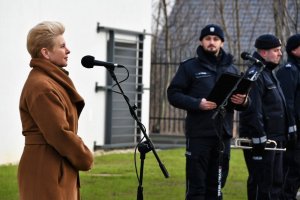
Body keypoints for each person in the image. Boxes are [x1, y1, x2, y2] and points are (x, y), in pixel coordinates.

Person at [167, 24, 248, 200]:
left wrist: (243, 101)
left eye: (216, 39)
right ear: (201, 41)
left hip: (223, 135)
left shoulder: (232, 70)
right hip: (199, 135)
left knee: (217, 188)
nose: (212, 42)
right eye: (208, 39)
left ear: (222, 43)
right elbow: (173, 94)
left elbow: (240, 103)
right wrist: (197, 103)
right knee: (197, 188)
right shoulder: (189, 67)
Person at [18, 21, 94, 200]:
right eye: (62, 46)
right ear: (45, 52)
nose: (68, 50)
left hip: (56, 164)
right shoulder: (42, 86)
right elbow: (58, 133)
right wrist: (85, 156)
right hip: (45, 169)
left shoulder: (50, 81)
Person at [239, 34, 296, 200]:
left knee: (275, 184)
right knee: (262, 185)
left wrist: (289, 129)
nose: (280, 54)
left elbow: (281, 106)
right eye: (276, 50)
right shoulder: (255, 74)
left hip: (276, 138)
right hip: (264, 141)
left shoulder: (269, 72)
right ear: (263, 52)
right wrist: (259, 138)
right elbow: (253, 109)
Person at [276, 33, 300, 200]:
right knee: (291, 173)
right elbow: (287, 103)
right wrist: (292, 128)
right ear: (294, 50)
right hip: (295, 134)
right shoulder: (288, 71)